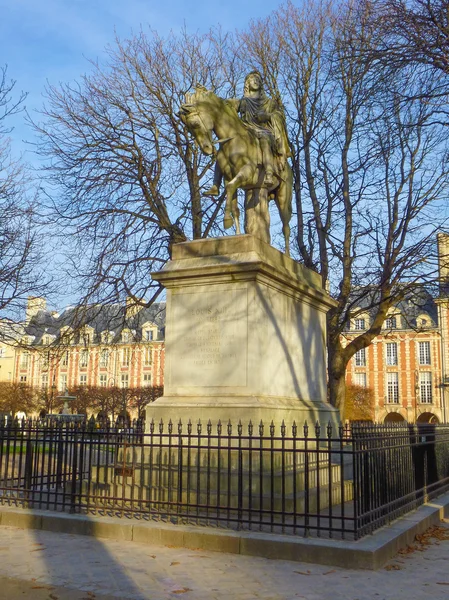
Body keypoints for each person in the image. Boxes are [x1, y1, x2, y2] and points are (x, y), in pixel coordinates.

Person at [204, 71, 290, 196]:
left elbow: (279, 116)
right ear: (247, 84)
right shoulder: (243, 101)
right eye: (252, 80)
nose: (255, 81)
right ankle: (215, 185)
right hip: (246, 130)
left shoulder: (269, 103)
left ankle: (269, 172)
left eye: (258, 80)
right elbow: (225, 105)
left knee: (264, 139)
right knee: (223, 150)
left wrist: (267, 116)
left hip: (263, 130)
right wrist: (211, 98)